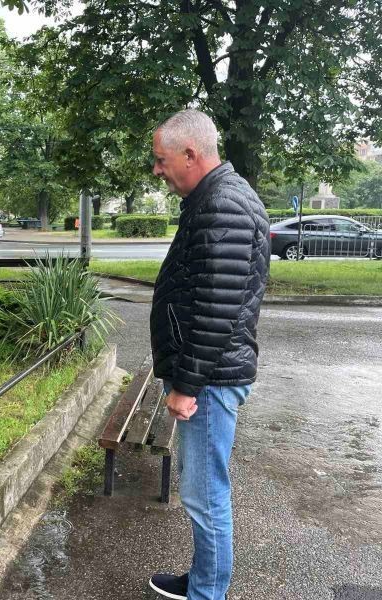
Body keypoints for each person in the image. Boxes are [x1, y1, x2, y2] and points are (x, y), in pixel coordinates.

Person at [148, 109, 270, 600]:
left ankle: (207, 593)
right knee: (201, 489)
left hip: (209, 381)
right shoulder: (215, 198)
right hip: (210, 375)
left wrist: (184, 386)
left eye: (161, 160)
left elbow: (216, 311)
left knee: (205, 495)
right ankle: (203, 580)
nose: (157, 169)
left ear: (190, 154)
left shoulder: (222, 206)